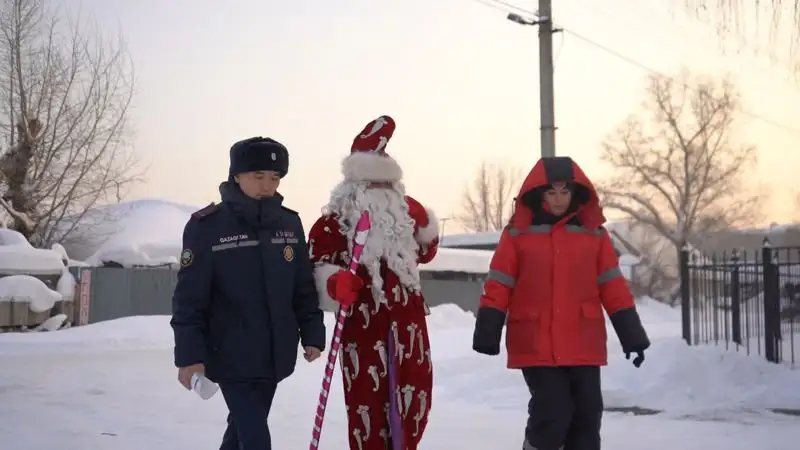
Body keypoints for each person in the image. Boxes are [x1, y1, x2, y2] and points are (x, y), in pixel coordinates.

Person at [471, 156, 650, 450]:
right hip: (535, 340)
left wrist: (632, 335)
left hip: (583, 340)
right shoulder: (517, 234)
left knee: (587, 416)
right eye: (551, 192)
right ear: (539, 194)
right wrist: (487, 330)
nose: (558, 199)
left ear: (575, 193)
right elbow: (500, 283)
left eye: (565, 192)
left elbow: (613, 286)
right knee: (553, 411)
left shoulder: (594, 235)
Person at [170, 136, 326, 450]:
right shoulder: (207, 226)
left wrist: (312, 332)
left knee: (240, 432)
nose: (267, 185)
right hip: (229, 353)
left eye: (275, 178)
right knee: (255, 438)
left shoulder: (289, 223)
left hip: (275, 353)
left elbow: (302, 287)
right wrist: (190, 357)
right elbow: (189, 300)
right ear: (237, 175)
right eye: (258, 176)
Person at [308, 115, 440, 450]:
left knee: (414, 401)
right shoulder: (334, 223)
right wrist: (333, 283)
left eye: (386, 185)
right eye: (373, 185)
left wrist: (426, 226)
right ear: (354, 187)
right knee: (367, 405)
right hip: (363, 330)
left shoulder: (405, 216)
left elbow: (426, 252)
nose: (381, 193)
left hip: (409, 329)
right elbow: (316, 265)